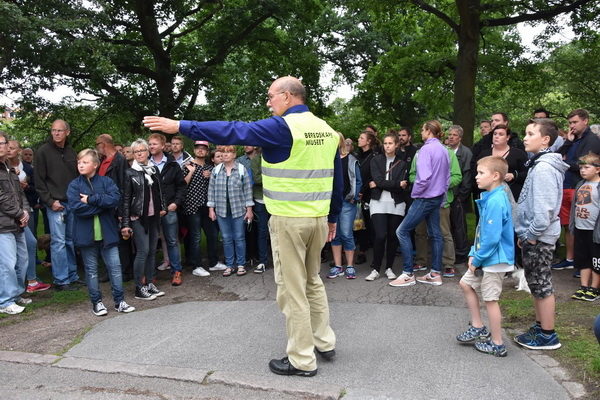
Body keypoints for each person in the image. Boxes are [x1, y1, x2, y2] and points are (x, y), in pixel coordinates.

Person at [143, 76, 343, 377]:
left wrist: (181, 126)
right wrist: (332, 218)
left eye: (271, 96)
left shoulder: (282, 127)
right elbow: (337, 180)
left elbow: (235, 130)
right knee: (312, 280)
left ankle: (302, 359)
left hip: (289, 220)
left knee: (292, 291)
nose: (268, 102)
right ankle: (324, 342)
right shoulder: (326, 130)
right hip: (317, 219)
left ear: (288, 97)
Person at [514, 118, 568, 350]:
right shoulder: (539, 164)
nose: (525, 138)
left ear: (545, 140)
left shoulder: (544, 168)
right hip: (533, 235)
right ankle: (539, 326)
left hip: (540, 237)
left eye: (530, 134)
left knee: (542, 284)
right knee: (535, 282)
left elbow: (544, 210)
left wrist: (532, 235)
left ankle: (548, 335)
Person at [456, 156, 514, 357]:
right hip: (485, 257)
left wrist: (477, 259)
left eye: (481, 173)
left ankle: (497, 343)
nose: (476, 177)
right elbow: (482, 232)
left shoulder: (497, 200)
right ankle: (478, 326)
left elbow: (491, 238)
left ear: (496, 176)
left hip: (494, 260)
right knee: (466, 284)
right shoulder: (490, 197)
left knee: (490, 299)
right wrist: (474, 254)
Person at [67, 149, 135, 316]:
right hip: (86, 235)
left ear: (95, 165)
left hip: (108, 234)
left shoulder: (106, 181)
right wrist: (101, 207)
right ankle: (97, 302)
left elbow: (114, 199)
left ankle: (119, 301)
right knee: (91, 270)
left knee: (115, 268)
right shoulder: (74, 185)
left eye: (85, 162)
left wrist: (91, 199)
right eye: (79, 162)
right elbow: (76, 208)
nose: (80, 165)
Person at [391, 120, 450, 287]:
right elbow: (446, 177)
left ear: (428, 131)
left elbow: (423, 178)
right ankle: (435, 274)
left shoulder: (425, 149)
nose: (421, 133)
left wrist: (415, 193)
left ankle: (408, 273)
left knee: (402, 231)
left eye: (422, 130)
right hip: (437, 196)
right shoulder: (444, 150)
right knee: (436, 234)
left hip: (425, 197)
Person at [34, 119, 81, 291]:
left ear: (67, 132)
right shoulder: (43, 152)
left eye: (60, 130)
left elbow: (77, 177)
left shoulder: (70, 152)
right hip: (55, 203)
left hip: (71, 203)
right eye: (53, 130)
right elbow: (39, 181)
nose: (56, 133)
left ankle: (72, 276)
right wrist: (50, 201)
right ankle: (61, 280)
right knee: (59, 242)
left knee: (70, 241)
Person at [554, 109, 600, 271]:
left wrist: (565, 164)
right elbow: (556, 157)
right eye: (570, 123)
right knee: (568, 226)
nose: (571, 126)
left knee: (584, 228)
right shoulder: (573, 140)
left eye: (575, 122)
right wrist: (568, 142)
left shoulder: (592, 140)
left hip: (581, 188)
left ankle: (586, 265)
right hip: (566, 187)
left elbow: (584, 166)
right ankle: (570, 259)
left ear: (585, 121)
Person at [121, 139, 166, 301]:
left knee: (153, 251)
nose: (140, 153)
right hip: (138, 217)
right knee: (143, 251)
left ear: (148, 152)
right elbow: (125, 199)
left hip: (154, 216)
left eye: (142, 150)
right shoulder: (129, 172)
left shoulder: (153, 169)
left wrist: (164, 207)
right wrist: (125, 223)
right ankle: (139, 288)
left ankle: (149, 283)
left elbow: (160, 191)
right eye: (136, 151)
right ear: (133, 154)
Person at [7, 140, 50, 293]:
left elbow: (25, 193)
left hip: (24, 210)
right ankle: (23, 284)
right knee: (13, 251)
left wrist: (25, 210)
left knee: (28, 243)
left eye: (12, 147)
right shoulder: (5, 168)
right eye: (7, 147)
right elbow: (6, 196)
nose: (8, 149)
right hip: (9, 215)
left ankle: (29, 281)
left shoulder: (25, 168)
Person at [364, 132, 408, 281]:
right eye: (385, 143)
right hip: (378, 203)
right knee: (380, 235)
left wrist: (381, 183)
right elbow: (380, 180)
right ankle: (375, 268)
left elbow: (401, 186)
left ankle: (389, 267)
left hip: (397, 204)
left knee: (392, 237)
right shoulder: (375, 160)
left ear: (396, 145)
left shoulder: (402, 163)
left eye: (390, 143)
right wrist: (395, 184)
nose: (387, 146)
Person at [207, 145, 253, 276]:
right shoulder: (216, 170)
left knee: (239, 237)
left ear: (234, 155)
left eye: (229, 152)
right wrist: (211, 209)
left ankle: (240, 264)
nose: (225, 155)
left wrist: (249, 210)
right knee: (226, 238)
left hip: (238, 209)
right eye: (222, 152)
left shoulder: (241, 169)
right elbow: (211, 191)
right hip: (221, 210)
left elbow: (247, 191)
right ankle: (229, 265)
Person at [148, 133, 187, 286]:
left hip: (169, 209)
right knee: (150, 243)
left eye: (154, 144)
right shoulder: (145, 164)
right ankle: (150, 275)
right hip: (151, 211)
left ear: (163, 146)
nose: (151, 146)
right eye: (150, 144)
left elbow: (181, 187)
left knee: (172, 241)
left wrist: (176, 203)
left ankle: (176, 271)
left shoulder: (172, 164)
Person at [0, 131, 31, 315]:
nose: (3, 146)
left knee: (22, 260)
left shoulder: (9, 168)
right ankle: (5, 300)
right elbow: (1, 198)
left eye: (2, 142)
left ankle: (17, 293)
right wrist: (20, 213)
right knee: (7, 263)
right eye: (2, 143)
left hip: (18, 223)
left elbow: (20, 194)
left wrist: (25, 212)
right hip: (3, 224)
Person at [183, 140, 224, 277]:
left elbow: (219, 185)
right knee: (195, 237)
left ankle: (213, 263)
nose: (200, 150)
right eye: (198, 148)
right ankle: (197, 266)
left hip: (207, 206)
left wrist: (211, 176)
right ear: (194, 150)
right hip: (192, 206)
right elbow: (181, 185)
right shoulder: (187, 165)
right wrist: (191, 172)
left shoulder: (210, 168)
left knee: (212, 235)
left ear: (207, 152)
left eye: (203, 149)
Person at [328, 133, 362, 280]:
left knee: (347, 234)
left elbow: (358, 181)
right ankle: (337, 266)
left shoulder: (351, 160)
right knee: (334, 234)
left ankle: (350, 266)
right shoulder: (328, 159)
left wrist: (354, 197)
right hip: (332, 202)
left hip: (347, 202)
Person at [569, 153, 600, 301]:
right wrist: (572, 225)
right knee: (582, 259)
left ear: (598, 169)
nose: (582, 170)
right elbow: (575, 206)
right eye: (581, 168)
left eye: (587, 167)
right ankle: (584, 287)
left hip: (595, 231)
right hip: (581, 228)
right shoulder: (580, 184)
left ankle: (594, 288)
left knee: (595, 260)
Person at [476, 124, 528, 202]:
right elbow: (475, 172)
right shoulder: (484, 154)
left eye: (501, 134)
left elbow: (527, 173)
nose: (496, 136)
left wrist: (514, 175)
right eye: (495, 134)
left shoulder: (518, 154)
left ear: (507, 137)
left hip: (512, 195)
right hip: (488, 194)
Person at [446, 125, 472, 265]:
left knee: (459, 225)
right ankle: (450, 251)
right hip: (447, 194)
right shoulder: (445, 151)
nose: (451, 137)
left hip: (459, 195)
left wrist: (462, 196)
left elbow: (467, 176)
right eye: (449, 134)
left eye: (454, 135)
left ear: (460, 138)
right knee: (448, 225)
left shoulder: (466, 153)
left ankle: (462, 252)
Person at [355, 130, 379, 265]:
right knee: (359, 224)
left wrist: (363, 191)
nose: (359, 139)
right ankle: (362, 250)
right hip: (357, 194)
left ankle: (375, 254)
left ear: (368, 141)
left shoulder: (374, 156)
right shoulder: (357, 156)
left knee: (370, 225)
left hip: (369, 195)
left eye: (361, 137)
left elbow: (372, 176)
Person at [249, 147, 271, 273]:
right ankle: (263, 261)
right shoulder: (256, 160)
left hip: (276, 200)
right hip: (261, 200)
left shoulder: (278, 158)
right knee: (262, 232)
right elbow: (257, 179)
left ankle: (280, 260)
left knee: (278, 232)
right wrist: (274, 176)